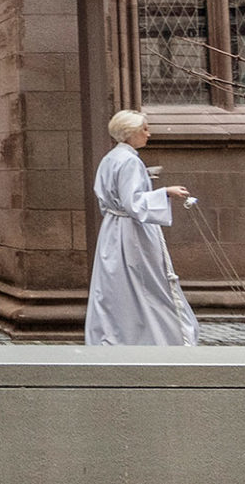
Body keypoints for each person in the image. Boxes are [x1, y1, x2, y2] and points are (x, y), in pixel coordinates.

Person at [84, 109, 198, 346]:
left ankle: (119, 333)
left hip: (114, 230)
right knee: (146, 283)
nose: (148, 133)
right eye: (143, 129)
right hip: (131, 233)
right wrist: (165, 192)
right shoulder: (129, 161)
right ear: (129, 133)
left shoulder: (111, 158)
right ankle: (162, 337)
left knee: (116, 284)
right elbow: (133, 203)